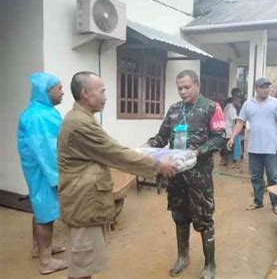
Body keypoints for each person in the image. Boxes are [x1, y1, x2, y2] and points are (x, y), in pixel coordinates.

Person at [58, 71, 174, 279]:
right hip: (83, 199)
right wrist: (156, 165)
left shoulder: (82, 118)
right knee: (82, 266)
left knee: (87, 262)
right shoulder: (80, 123)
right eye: (102, 91)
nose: (105, 97)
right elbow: (115, 153)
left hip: (85, 198)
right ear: (86, 93)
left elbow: (110, 149)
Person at [147, 70, 225, 279]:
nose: (182, 92)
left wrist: (199, 151)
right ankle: (183, 257)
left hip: (199, 175)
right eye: (179, 88)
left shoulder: (211, 107)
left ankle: (210, 264)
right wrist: (146, 147)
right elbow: (162, 137)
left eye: (186, 87)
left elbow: (219, 138)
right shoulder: (174, 110)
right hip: (176, 174)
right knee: (179, 216)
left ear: (197, 85)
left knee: (204, 218)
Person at [17, 72, 68, 275]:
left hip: (40, 170)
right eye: (59, 88)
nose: (62, 92)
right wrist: (58, 177)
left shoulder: (42, 110)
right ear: (47, 92)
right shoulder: (39, 116)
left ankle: (39, 247)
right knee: (45, 213)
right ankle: (46, 260)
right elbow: (46, 150)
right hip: (44, 170)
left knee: (41, 209)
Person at [227, 77, 277, 215]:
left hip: (271, 147)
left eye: (267, 86)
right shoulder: (248, 104)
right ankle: (258, 201)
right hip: (254, 148)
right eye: (263, 87)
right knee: (256, 177)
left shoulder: (275, 103)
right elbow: (240, 122)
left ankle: (276, 203)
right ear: (256, 89)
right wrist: (232, 137)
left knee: (273, 177)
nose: (266, 89)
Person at [220, 93, 241, 168]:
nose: (239, 102)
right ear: (234, 100)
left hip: (224, 128)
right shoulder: (232, 108)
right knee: (230, 146)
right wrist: (242, 120)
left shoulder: (227, 106)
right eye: (238, 100)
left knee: (224, 146)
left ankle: (223, 160)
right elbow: (234, 118)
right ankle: (230, 163)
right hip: (229, 129)